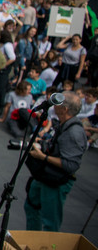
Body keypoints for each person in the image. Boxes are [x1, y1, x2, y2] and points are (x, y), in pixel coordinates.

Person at [24, 91, 87, 232]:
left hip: (55, 181)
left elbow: (70, 165)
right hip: (45, 177)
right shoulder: (64, 125)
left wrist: (42, 157)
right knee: (31, 206)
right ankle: (32, 241)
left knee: (50, 221)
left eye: (59, 101)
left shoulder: (74, 132)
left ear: (64, 109)